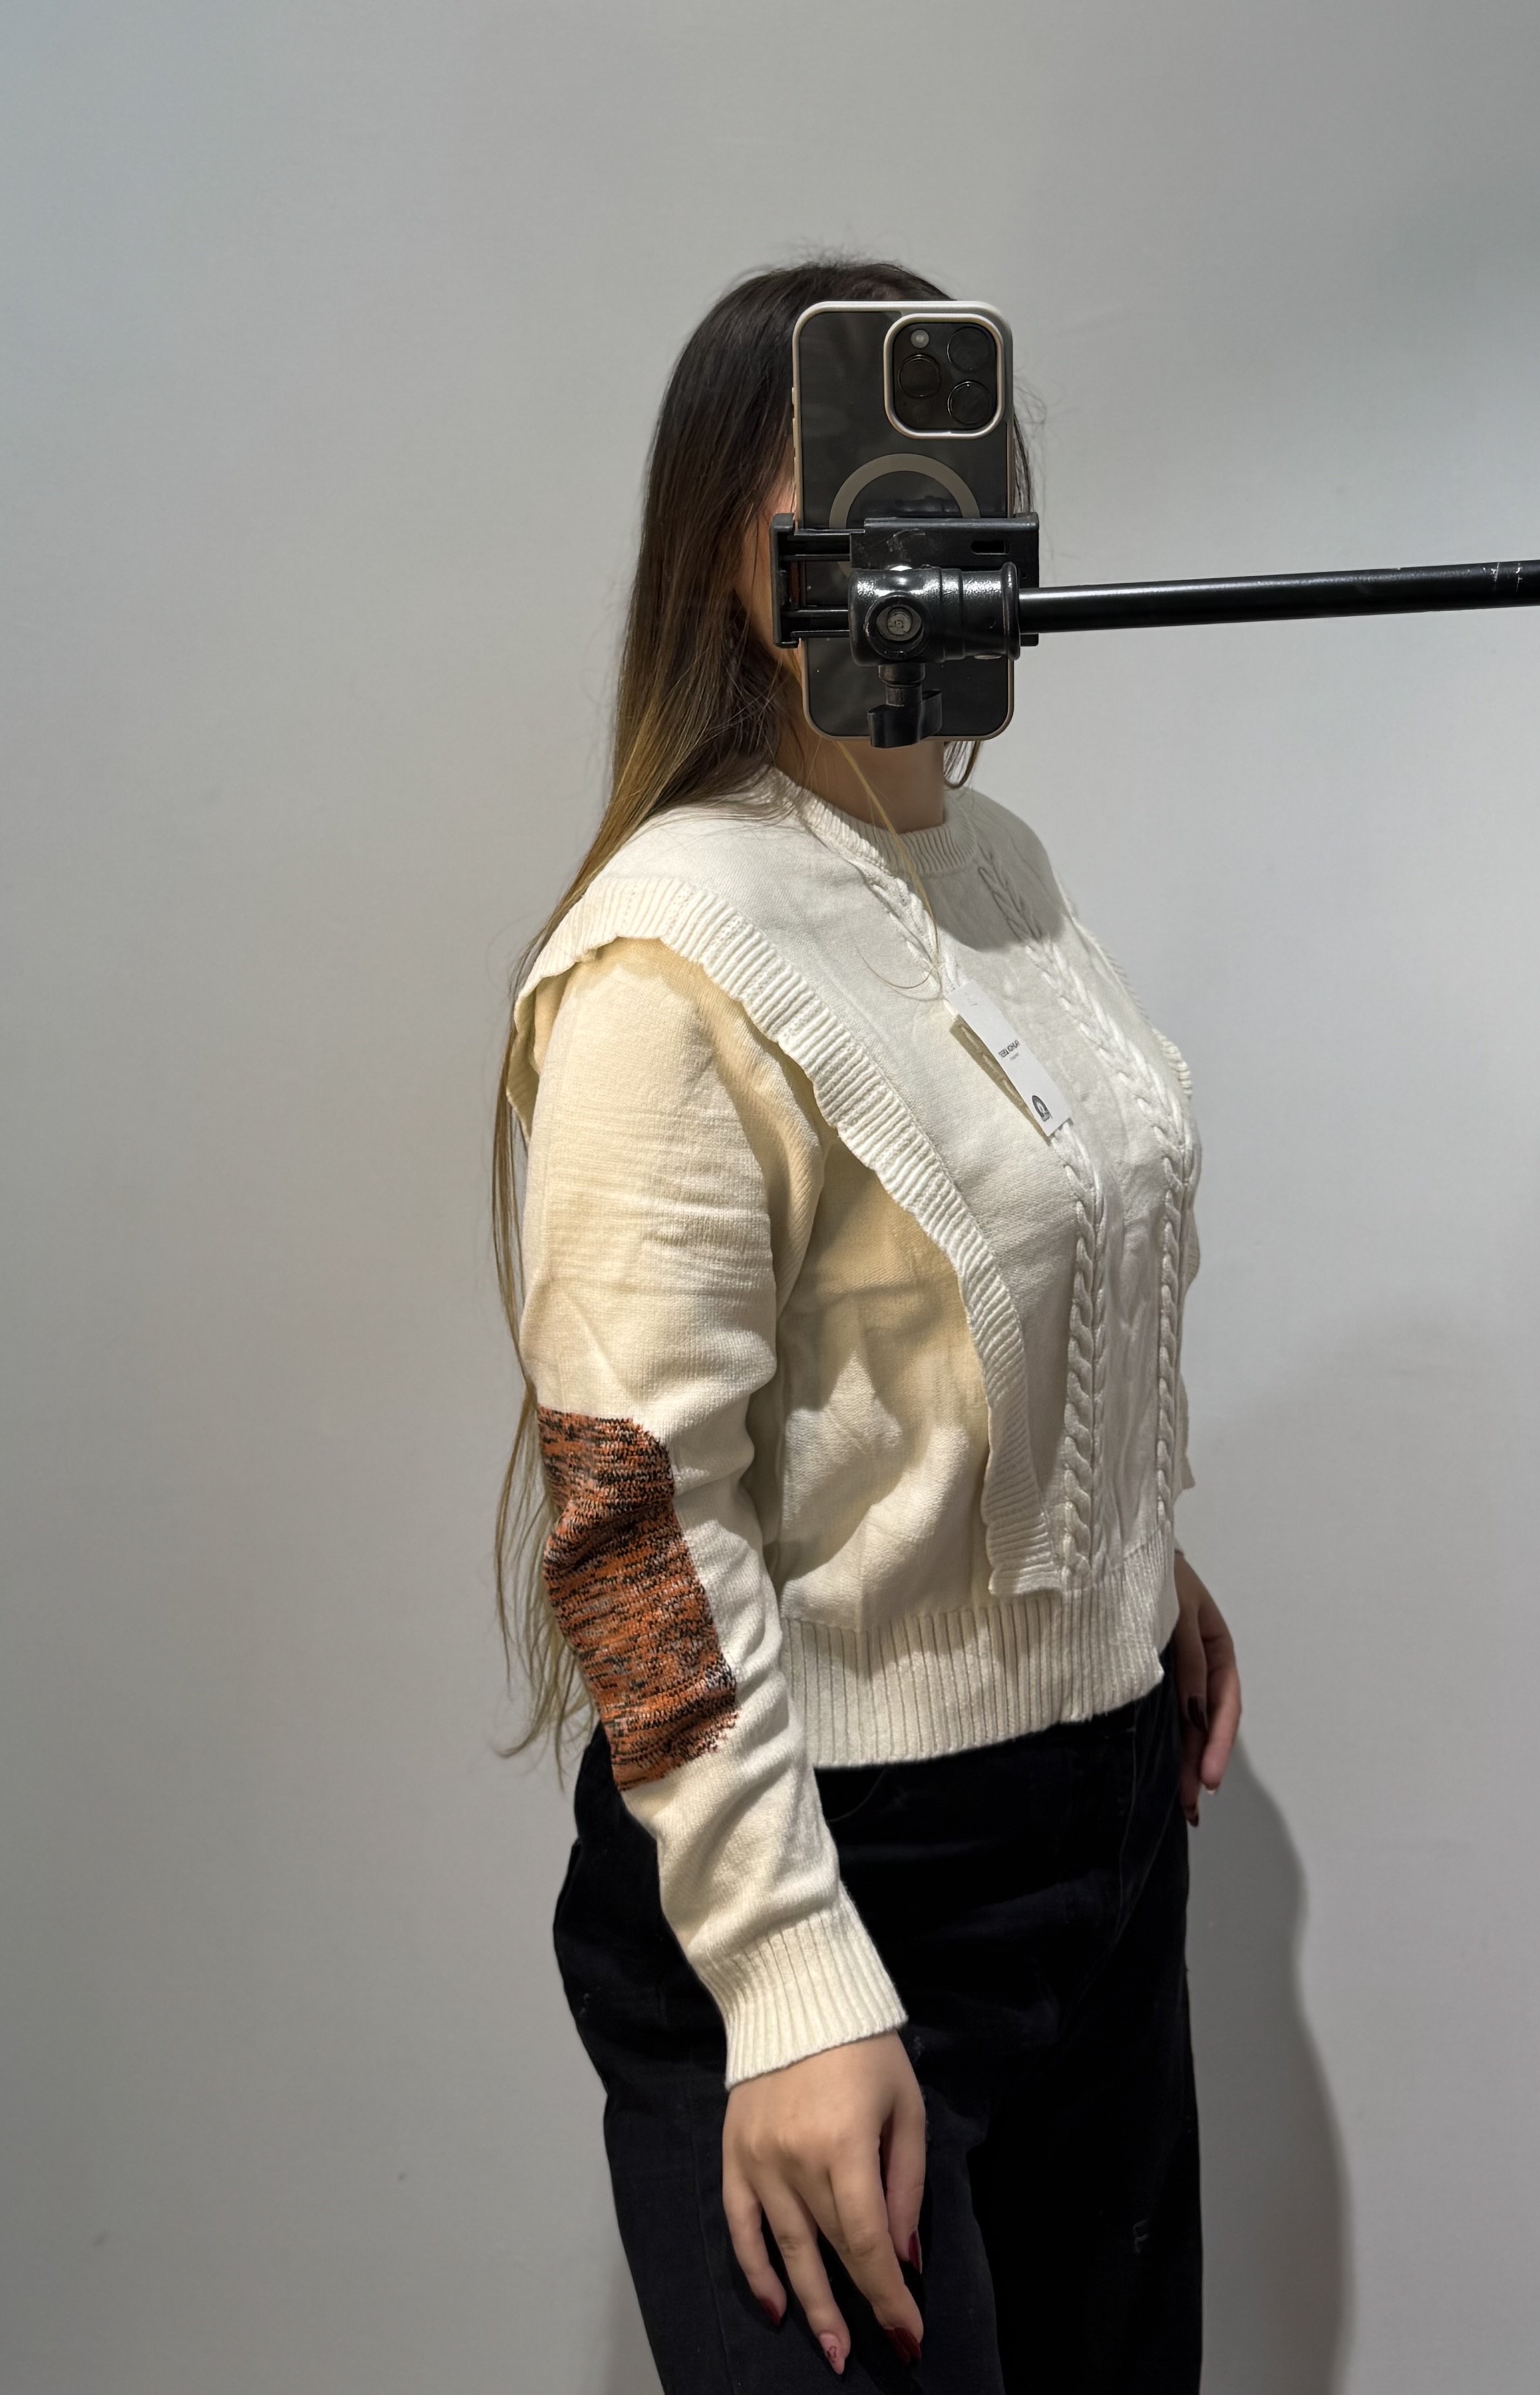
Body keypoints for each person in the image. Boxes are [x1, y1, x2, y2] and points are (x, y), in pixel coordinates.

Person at [492, 257, 1242, 2395]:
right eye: (856, 486)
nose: (931, 528)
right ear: (731, 555)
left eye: (966, 474)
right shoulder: (670, 954)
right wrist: (790, 1985)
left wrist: (1121, 1568)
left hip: (1100, 1840)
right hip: (827, 1867)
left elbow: (1014, 1281)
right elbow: (631, 1526)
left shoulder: (996, 868)